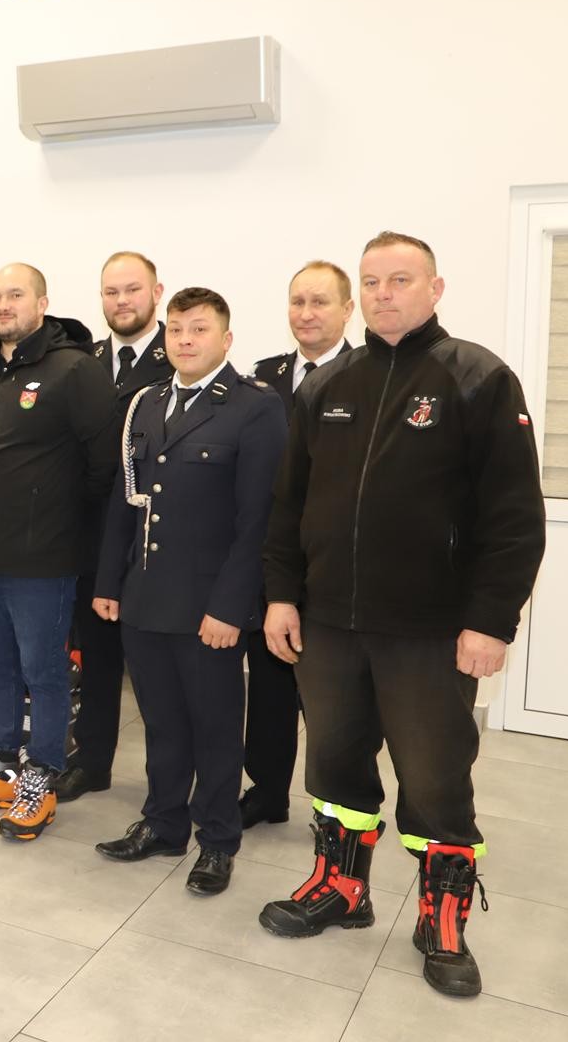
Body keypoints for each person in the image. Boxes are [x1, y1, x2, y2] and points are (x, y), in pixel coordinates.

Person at [256, 232, 545, 1000]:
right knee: (335, 764)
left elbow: (515, 517)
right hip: (330, 624)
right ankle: (340, 888)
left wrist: (492, 620)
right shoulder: (327, 385)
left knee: (434, 777)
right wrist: (282, 594)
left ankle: (442, 917)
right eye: (373, 281)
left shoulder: (478, 378)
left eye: (400, 280)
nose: (384, 293)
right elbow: (288, 506)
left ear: (435, 289)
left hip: (430, 630)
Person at [91, 288, 287, 896]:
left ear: (225, 339)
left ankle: (218, 841)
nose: (184, 339)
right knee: (161, 723)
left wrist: (230, 607)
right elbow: (126, 500)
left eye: (198, 329)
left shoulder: (254, 408)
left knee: (216, 729)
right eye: (176, 329)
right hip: (145, 594)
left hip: (209, 607)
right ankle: (164, 823)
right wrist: (109, 582)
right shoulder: (146, 403)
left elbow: (258, 521)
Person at [0, 263, 121, 841]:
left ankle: (40, 778)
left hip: (43, 561)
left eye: (15, 294)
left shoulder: (74, 369)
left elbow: (102, 465)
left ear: (42, 303)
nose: (3, 304)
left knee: (43, 674)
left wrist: (54, 516)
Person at [239, 261, 355, 829]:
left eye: (319, 302)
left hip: (333, 564)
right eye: (297, 302)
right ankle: (267, 792)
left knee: (334, 702)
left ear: (347, 310)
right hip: (273, 557)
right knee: (269, 689)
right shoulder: (264, 377)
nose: (306, 314)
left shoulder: (366, 375)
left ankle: (339, 811)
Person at [58, 251, 174, 803]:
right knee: (99, 658)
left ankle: (170, 785)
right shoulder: (84, 360)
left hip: (155, 538)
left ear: (156, 292)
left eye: (132, 289)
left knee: (159, 674)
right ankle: (93, 761)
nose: (121, 301)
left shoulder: (181, 355)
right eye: (111, 292)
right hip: (90, 537)